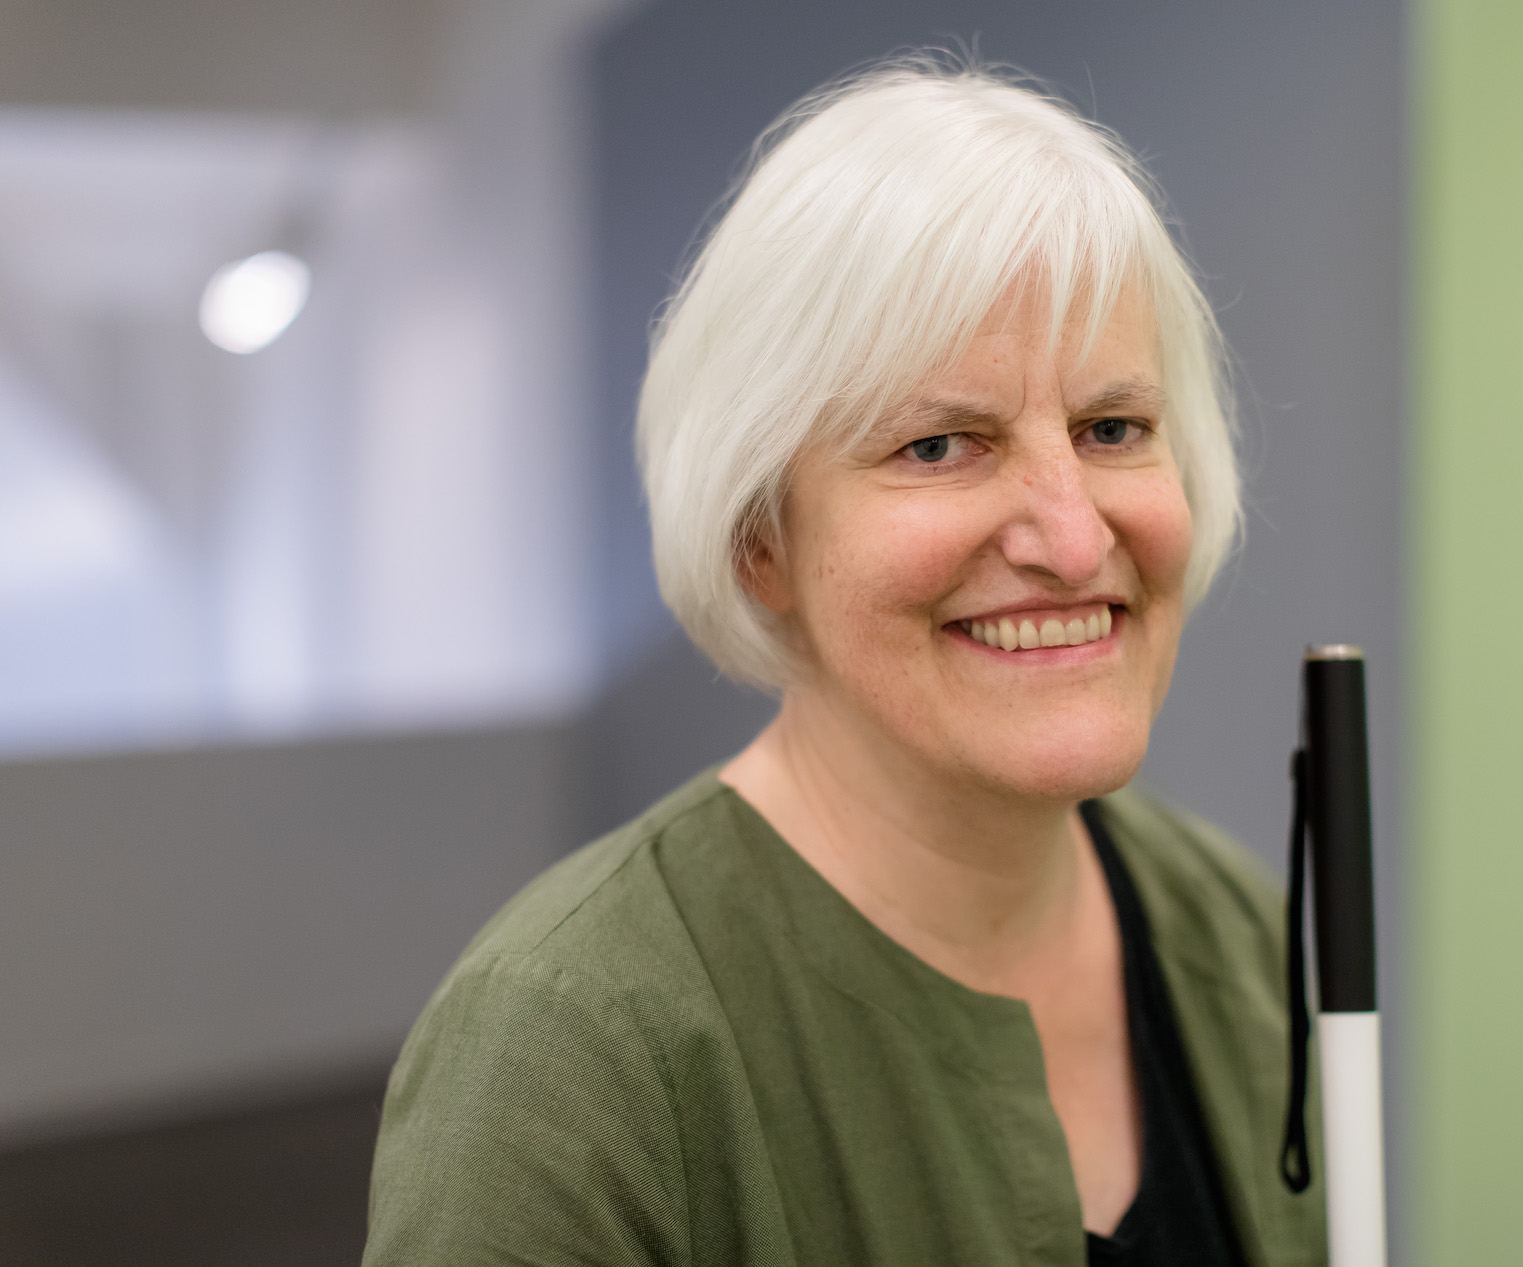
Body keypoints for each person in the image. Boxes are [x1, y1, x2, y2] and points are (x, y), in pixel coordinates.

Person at [363, 55, 1326, 1267]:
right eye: (939, 446)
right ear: (760, 541)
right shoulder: (571, 1052)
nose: (1074, 534)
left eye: (1112, 429)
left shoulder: (1232, 928)